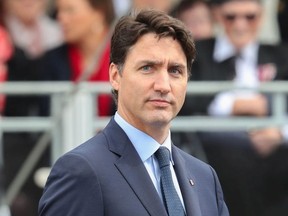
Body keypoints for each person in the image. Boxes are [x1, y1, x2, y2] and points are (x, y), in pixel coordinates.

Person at [38, 9, 229, 216]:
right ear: (115, 76)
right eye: (147, 68)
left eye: (175, 70)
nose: (163, 85)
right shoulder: (81, 170)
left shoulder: (205, 177)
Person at [180, 0, 288, 215]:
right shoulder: (197, 54)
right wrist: (231, 105)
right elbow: (184, 99)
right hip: (216, 155)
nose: (240, 25)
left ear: (261, 16)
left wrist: (279, 133)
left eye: (250, 17)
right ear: (217, 15)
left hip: (275, 154)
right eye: (231, 17)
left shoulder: (280, 56)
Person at [42, 0, 115, 117]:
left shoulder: (126, 56)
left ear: (98, 13)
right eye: (59, 11)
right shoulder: (51, 60)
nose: (61, 17)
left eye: (69, 10)